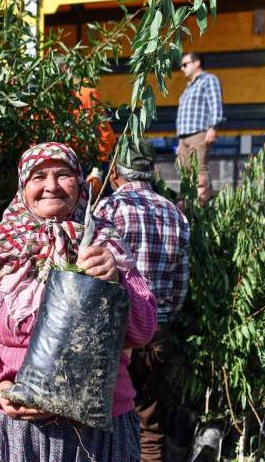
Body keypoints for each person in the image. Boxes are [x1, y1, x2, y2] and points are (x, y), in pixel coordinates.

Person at [0, 142, 157, 462]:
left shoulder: (104, 242)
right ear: (22, 186)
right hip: (8, 428)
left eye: (63, 175)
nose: (51, 186)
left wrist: (116, 282)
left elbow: (143, 331)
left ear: (80, 181)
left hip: (97, 432)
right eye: (38, 176)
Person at [94, 140, 191, 462]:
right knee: (149, 420)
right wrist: (160, 320)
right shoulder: (174, 214)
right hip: (156, 335)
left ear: (115, 176)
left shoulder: (106, 210)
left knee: (104, 418)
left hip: (115, 335)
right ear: (152, 173)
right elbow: (180, 284)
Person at [176, 52, 224, 204]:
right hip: (183, 136)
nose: (182, 68)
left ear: (197, 63)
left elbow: (216, 104)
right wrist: (179, 141)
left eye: (185, 64)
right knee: (185, 172)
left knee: (199, 171)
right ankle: (188, 205)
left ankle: (204, 204)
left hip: (199, 132)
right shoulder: (189, 87)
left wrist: (213, 127)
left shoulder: (209, 80)